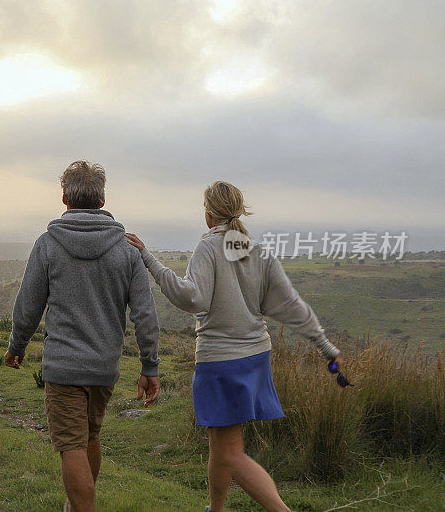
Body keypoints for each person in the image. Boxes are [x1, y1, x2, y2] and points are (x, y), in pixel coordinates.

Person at [125, 181, 344, 512]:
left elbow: (192, 298)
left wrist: (148, 259)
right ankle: (216, 509)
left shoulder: (209, 246)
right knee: (220, 444)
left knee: (230, 453)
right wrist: (325, 345)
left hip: (222, 362)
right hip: (255, 356)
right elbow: (290, 304)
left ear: (209, 213)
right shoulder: (254, 249)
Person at [5, 161, 161, 512]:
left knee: (71, 446)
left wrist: (16, 347)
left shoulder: (48, 244)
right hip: (105, 366)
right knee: (89, 436)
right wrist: (149, 366)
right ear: (102, 201)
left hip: (62, 366)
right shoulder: (127, 250)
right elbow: (145, 314)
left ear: (64, 198)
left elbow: (28, 304)